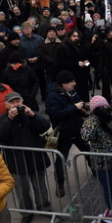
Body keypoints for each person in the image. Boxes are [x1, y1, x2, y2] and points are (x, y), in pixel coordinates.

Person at [0, 92, 52, 223]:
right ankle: (26, 212)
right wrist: (9, 119)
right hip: (16, 161)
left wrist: (33, 115)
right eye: (12, 102)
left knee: (40, 186)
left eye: (18, 101)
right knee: (21, 189)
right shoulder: (2, 119)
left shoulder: (29, 114)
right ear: (6, 105)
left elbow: (45, 127)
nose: (15, 105)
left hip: (35, 158)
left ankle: (45, 208)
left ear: (22, 102)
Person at [45, 70, 90, 198]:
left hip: (77, 129)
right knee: (61, 159)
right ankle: (60, 184)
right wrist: (74, 107)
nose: (74, 83)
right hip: (64, 133)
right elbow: (56, 114)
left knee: (88, 151)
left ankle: (96, 170)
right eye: (71, 82)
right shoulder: (52, 97)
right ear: (63, 84)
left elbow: (78, 104)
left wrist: (82, 108)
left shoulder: (72, 92)